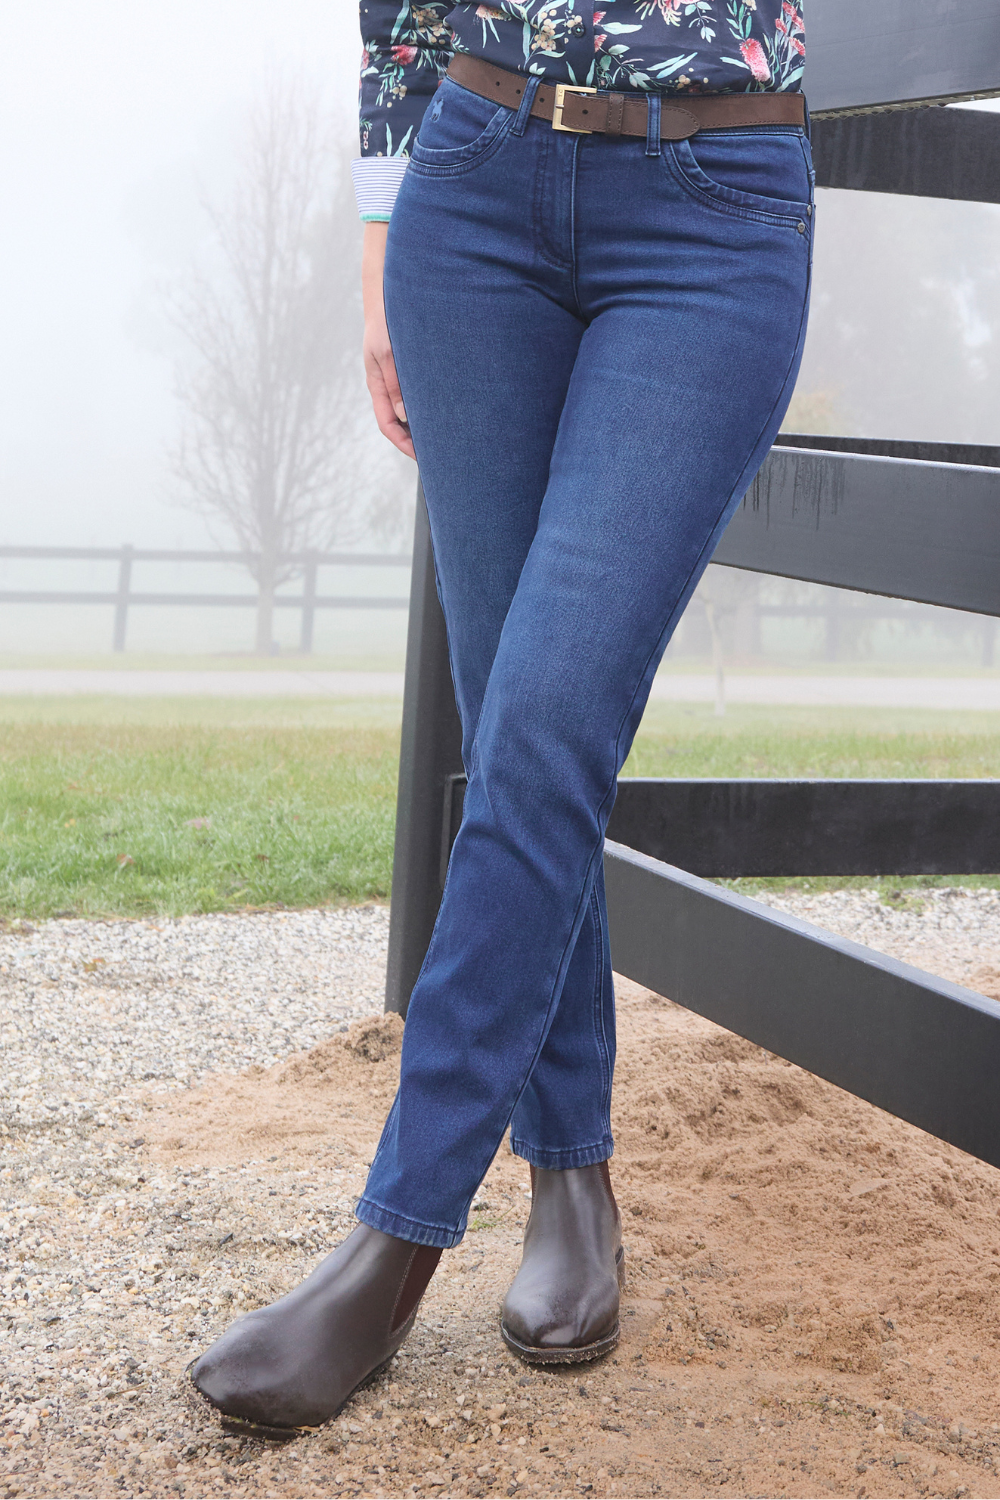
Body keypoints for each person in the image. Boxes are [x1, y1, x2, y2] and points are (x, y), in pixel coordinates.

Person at [191, 0, 814, 1439]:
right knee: (513, 728)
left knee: (544, 726)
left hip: (712, 208)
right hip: (473, 187)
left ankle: (393, 1240)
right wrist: (379, 236)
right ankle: (570, 1171)